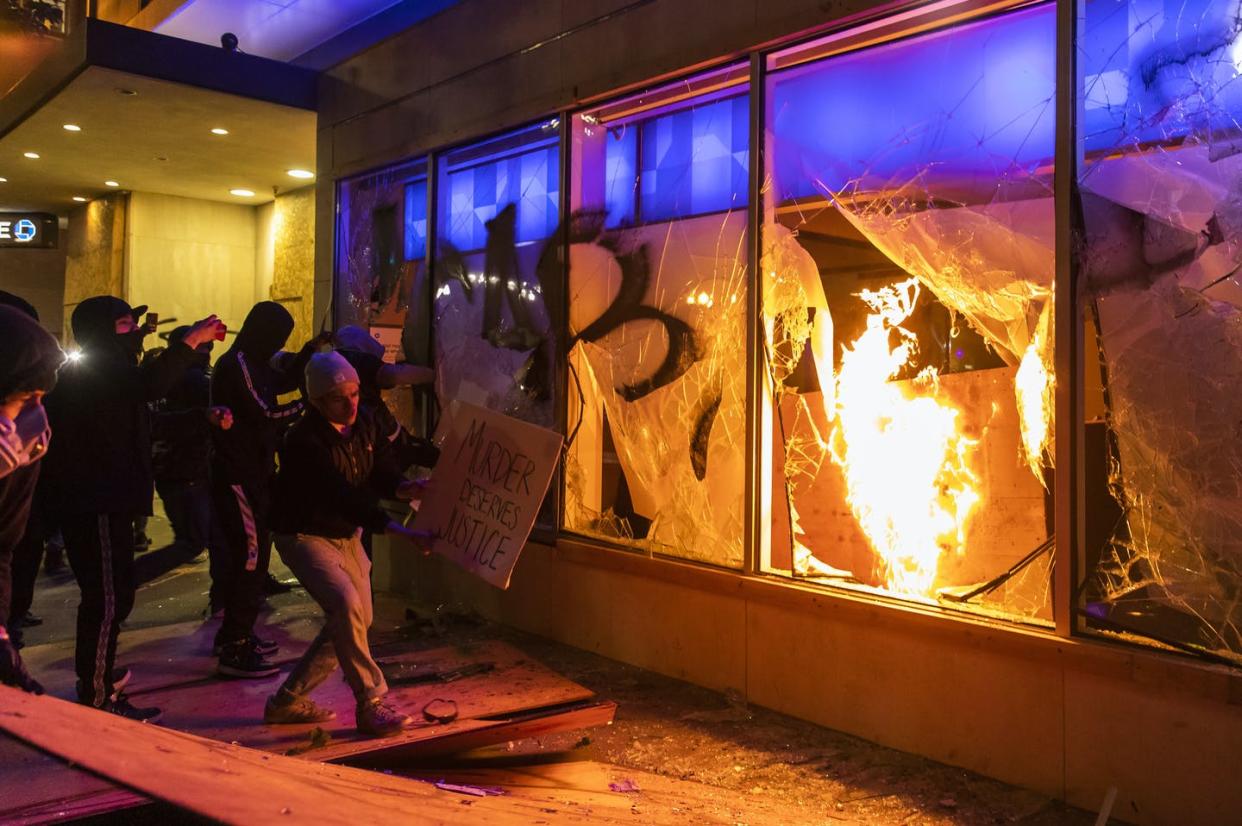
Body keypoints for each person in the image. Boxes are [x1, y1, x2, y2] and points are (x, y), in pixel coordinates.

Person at [41, 296, 225, 720]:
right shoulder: (97, 369)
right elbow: (150, 386)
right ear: (103, 330)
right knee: (106, 598)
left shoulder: (108, 371)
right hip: (97, 500)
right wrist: (192, 339)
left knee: (113, 593)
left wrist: (201, 417)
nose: (134, 332)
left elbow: (141, 418)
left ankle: (99, 672)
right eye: (125, 325)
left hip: (109, 499)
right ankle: (98, 691)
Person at [264, 351, 428, 737]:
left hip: (346, 535)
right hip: (305, 534)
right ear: (318, 402)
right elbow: (339, 494)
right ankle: (371, 703)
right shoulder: (303, 441)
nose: (351, 403)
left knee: (353, 622)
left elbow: (380, 470)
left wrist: (403, 486)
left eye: (355, 393)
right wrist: (398, 530)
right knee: (346, 605)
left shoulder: (364, 424)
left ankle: (286, 701)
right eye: (340, 397)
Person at [210, 301, 324, 677]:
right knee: (251, 558)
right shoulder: (238, 364)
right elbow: (261, 411)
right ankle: (235, 645)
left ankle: (237, 632)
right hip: (237, 475)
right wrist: (307, 408)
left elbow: (281, 382)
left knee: (255, 557)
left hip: (254, 472)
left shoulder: (253, 363)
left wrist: (310, 351)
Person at [136, 326, 233, 607]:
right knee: (193, 540)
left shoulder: (167, 377)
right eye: (203, 345)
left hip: (183, 469)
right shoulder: (191, 379)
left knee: (215, 537)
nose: (208, 351)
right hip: (186, 471)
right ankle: (126, 580)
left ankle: (222, 598)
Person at [0, 303, 63, 694]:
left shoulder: (19, 459)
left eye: (41, 399)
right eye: (24, 399)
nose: (35, 420)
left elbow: (0, 546)